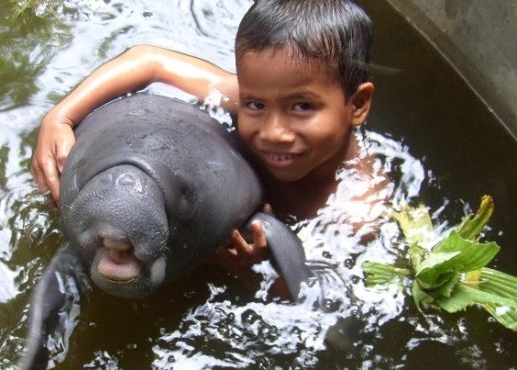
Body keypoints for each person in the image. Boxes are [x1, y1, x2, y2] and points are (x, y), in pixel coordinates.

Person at [31, 0, 376, 279]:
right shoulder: (249, 96)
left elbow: (312, 296)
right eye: (255, 104)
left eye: (302, 106)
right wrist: (60, 117)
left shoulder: (356, 206)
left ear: (357, 105)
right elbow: (150, 61)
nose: (272, 132)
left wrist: (252, 270)